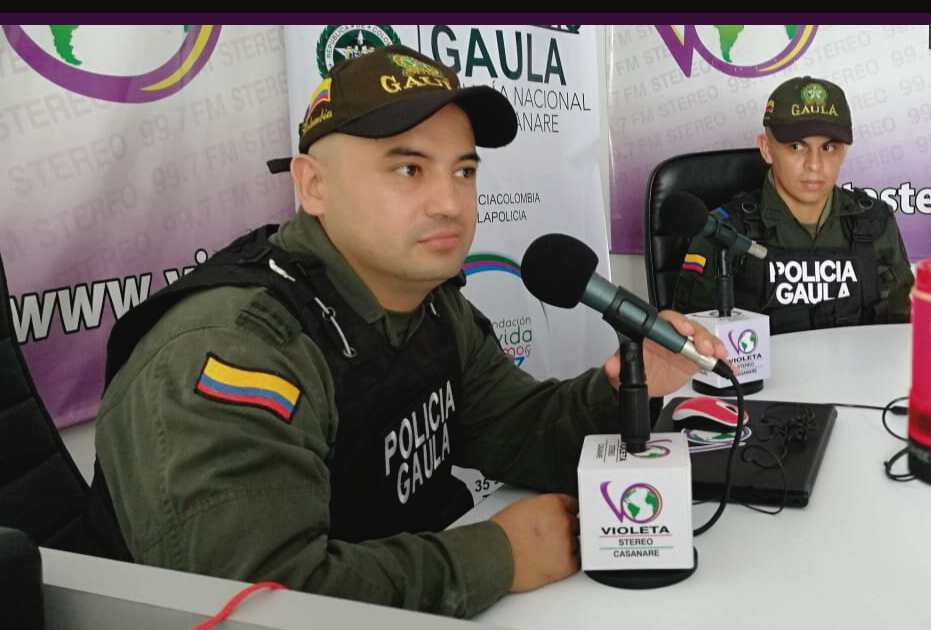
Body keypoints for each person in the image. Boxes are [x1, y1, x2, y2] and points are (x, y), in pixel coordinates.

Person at [83, 45, 725, 619]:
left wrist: (628, 388)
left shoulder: (432, 304)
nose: (449, 203)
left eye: (464, 171)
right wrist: (497, 556)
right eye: (408, 170)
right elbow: (256, 605)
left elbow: (519, 429)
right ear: (313, 185)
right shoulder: (236, 349)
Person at [672, 76, 914, 334]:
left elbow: (902, 331)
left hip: (859, 362)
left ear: (843, 152)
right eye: (797, 146)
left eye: (828, 148)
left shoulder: (875, 222)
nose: (814, 164)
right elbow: (693, 342)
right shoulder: (722, 233)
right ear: (767, 148)